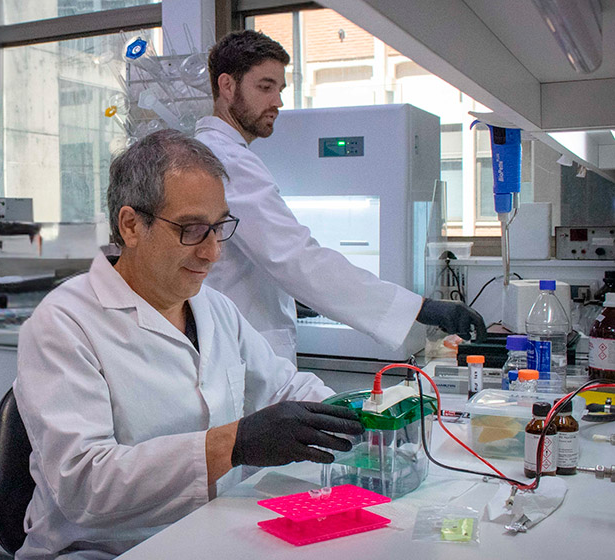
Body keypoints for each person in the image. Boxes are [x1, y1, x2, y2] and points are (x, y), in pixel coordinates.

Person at [13, 130, 364, 559]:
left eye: (219, 228)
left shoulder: (213, 308)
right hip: (105, 550)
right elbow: (85, 486)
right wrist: (232, 444)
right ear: (131, 225)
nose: (213, 253)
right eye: (193, 229)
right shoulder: (63, 324)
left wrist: (362, 413)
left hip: (209, 533)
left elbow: (285, 389)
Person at [195, 30, 486, 365]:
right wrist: (421, 308)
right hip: (245, 354)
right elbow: (296, 257)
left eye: (280, 89)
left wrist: (297, 298)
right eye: (265, 87)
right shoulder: (227, 160)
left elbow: (264, 259)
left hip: (243, 346)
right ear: (227, 86)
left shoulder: (220, 153)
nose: (278, 102)